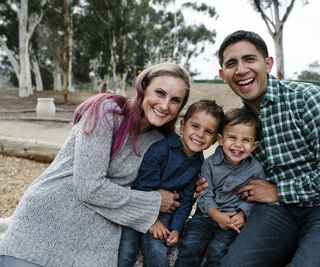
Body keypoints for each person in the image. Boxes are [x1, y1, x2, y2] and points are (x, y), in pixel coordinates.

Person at [195, 30, 320, 267]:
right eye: (231, 64)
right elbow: (234, 168)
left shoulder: (308, 99)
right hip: (278, 211)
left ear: (268, 64)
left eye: (249, 59)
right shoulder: (240, 124)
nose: (241, 70)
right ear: (223, 75)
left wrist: (280, 191)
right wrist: (207, 183)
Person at [0, 63, 192, 267]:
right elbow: (89, 186)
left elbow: (178, 177)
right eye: (159, 93)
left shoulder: (161, 141)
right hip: (45, 226)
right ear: (143, 87)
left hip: (96, 240)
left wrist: (202, 181)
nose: (164, 105)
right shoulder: (107, 112)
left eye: (175, 100)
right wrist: (153, 203)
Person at [118, 99, 224, 267]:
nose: (200, 134)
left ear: (215, 140)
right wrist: (151, 221)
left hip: (166, 213)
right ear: (182, 126)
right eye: (195, 126)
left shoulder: (200, 165)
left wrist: (176, 228)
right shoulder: (160, 150)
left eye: (208, 131)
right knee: (126, 252)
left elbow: (187, 199)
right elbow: (142, 188)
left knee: (157, 249)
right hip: (138, 209)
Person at [176, 108, 266, 267]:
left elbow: (254, 196)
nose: (238, 145)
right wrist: (216, 214)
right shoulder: (209, 164)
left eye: (246, 140)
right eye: (232, 137)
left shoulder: (256, 169)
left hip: (232, 219)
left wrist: (243, 214)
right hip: (205, 216)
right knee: (191, 244)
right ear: (221, 139)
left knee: (218, 250)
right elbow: (204, 191)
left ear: (254, 145)